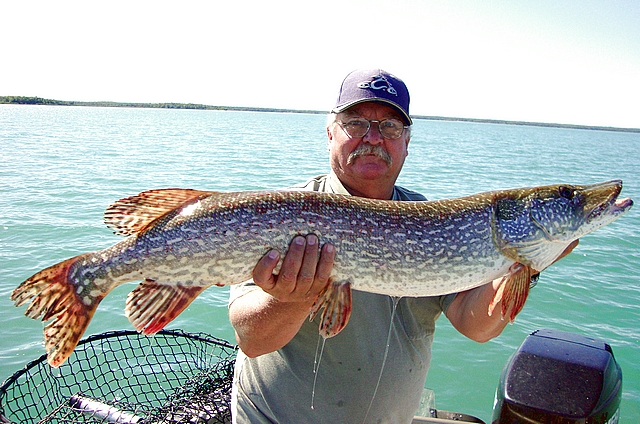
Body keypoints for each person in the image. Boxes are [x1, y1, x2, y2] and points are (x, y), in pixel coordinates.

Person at [228, 69, 577, 423]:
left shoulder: (433, 222)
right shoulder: (283, 212)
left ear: (406, 143)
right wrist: (297, 295)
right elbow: (252, 340)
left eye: (390, 127)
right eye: (356, 122)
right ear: (330, 133)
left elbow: (476, 326)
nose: (373, 138)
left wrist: (528, 263)